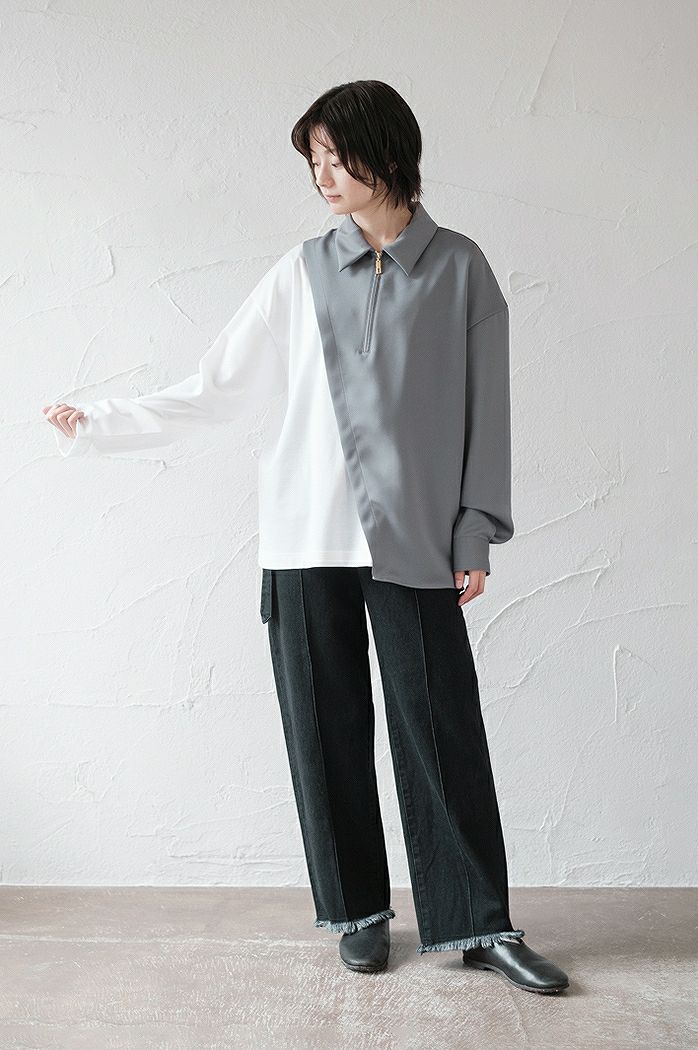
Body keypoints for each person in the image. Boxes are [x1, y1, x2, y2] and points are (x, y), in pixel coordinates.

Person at [44, 80, 569, 994]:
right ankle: (357, 913)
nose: (323, 175)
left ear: (388, 152)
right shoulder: (299, 272)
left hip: (413, 538)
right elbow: (217, 388)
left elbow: (488, 412)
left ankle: (479, 925)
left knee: (441, 730)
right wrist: (100, 422)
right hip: (303, 538)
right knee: (323, 729)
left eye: (336, 156)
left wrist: (475, 531)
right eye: (313, 160)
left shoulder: (460, 268)